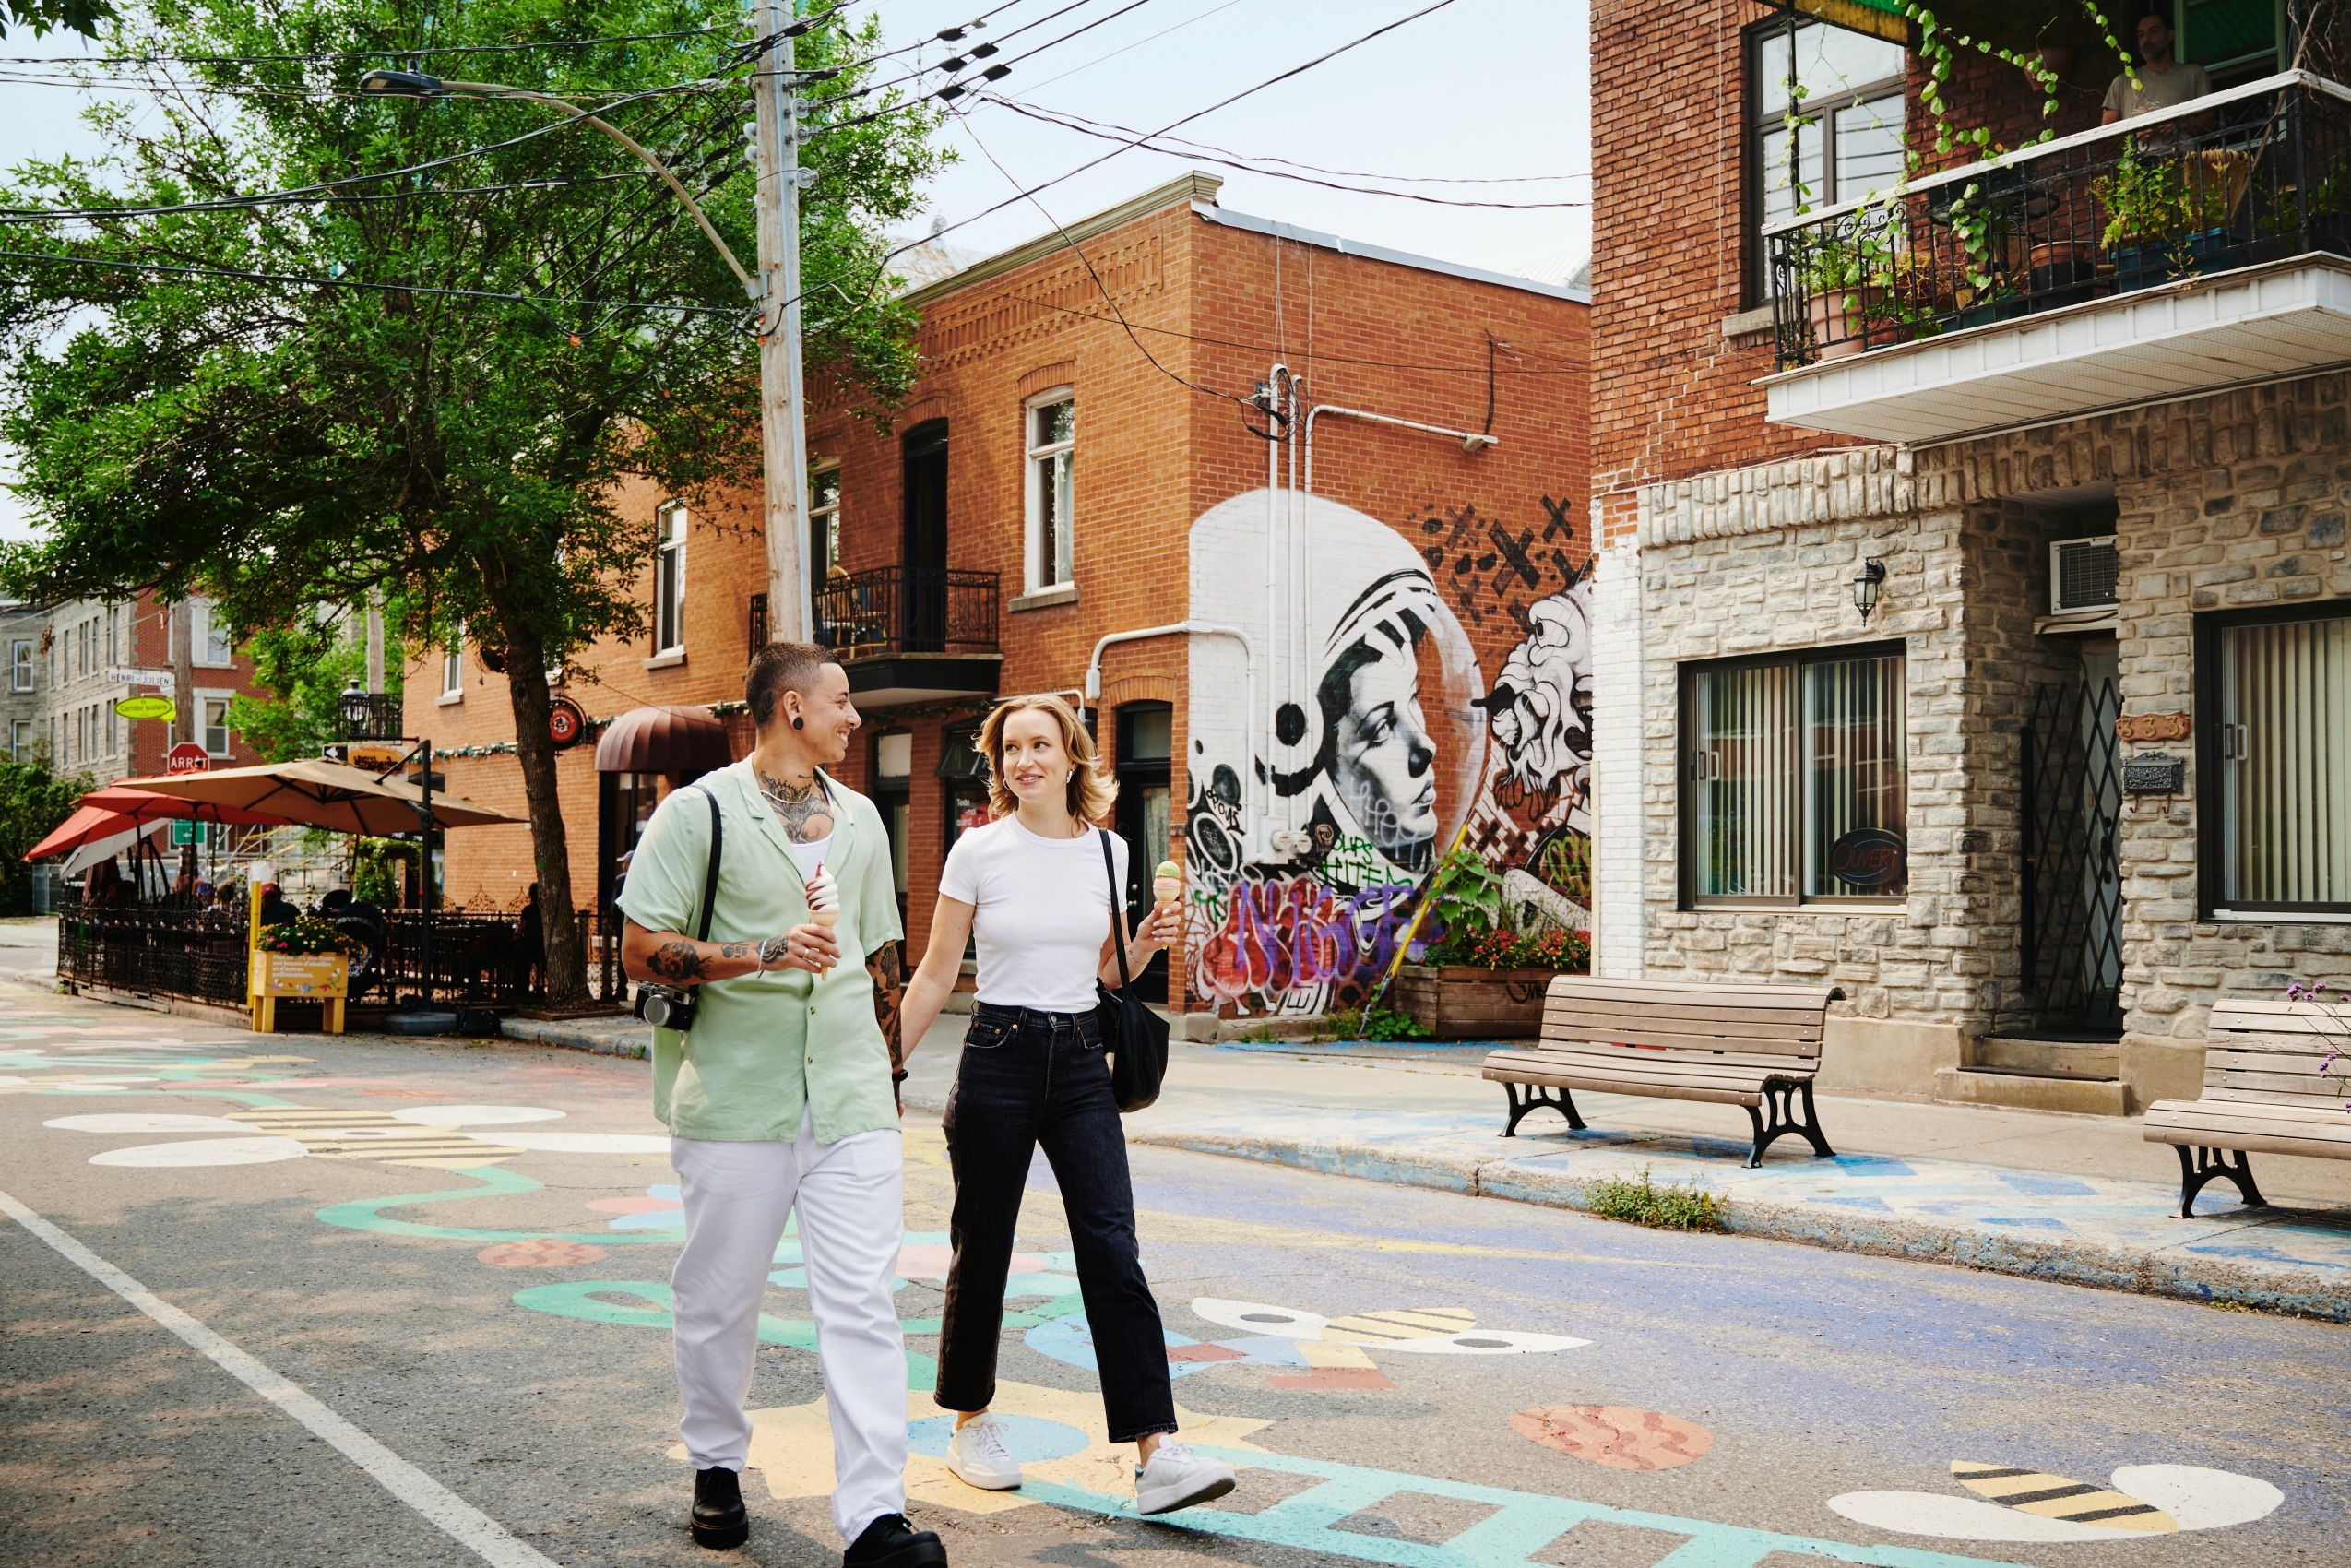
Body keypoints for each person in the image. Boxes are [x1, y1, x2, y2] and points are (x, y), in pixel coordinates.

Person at [618, 642, 937, 1567]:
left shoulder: (865, 822)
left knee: (864, 1305)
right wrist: (757, 951)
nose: (855, 717)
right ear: (790, 707)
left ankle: (875, 1518)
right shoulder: (697, 812)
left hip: (847, 1098)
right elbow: (642, 949)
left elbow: (881, 956)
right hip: (734, 1095)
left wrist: (888, 1079)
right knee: (719, 1298)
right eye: (843, 702)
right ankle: (715, 1459)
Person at [897, 694, 1235, 1517]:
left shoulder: (1114, 853)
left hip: (1083, 1061)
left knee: (1112, 1249)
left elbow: (1101, 975)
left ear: (1071, 755)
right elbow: (938, 973)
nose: (1025, 761)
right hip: (998, 1059)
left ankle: (1157, 1449)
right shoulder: (977, 851)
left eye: (1040, 745)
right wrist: (885, 1071)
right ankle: (971, 1421)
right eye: (1011, 748)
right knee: (982, 1249)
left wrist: (1147, 943)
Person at [2101, 11, 2211, 132]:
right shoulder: (2122, 82)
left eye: (2153, 31)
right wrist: (2134, 133)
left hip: (2183, 151)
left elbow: (2209, 120)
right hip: (2139, 151)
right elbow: (2106, 131)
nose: (2146, 40)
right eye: (2141, 35)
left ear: (2170, 35)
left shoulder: (2193, 74)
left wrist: (2182, 124)